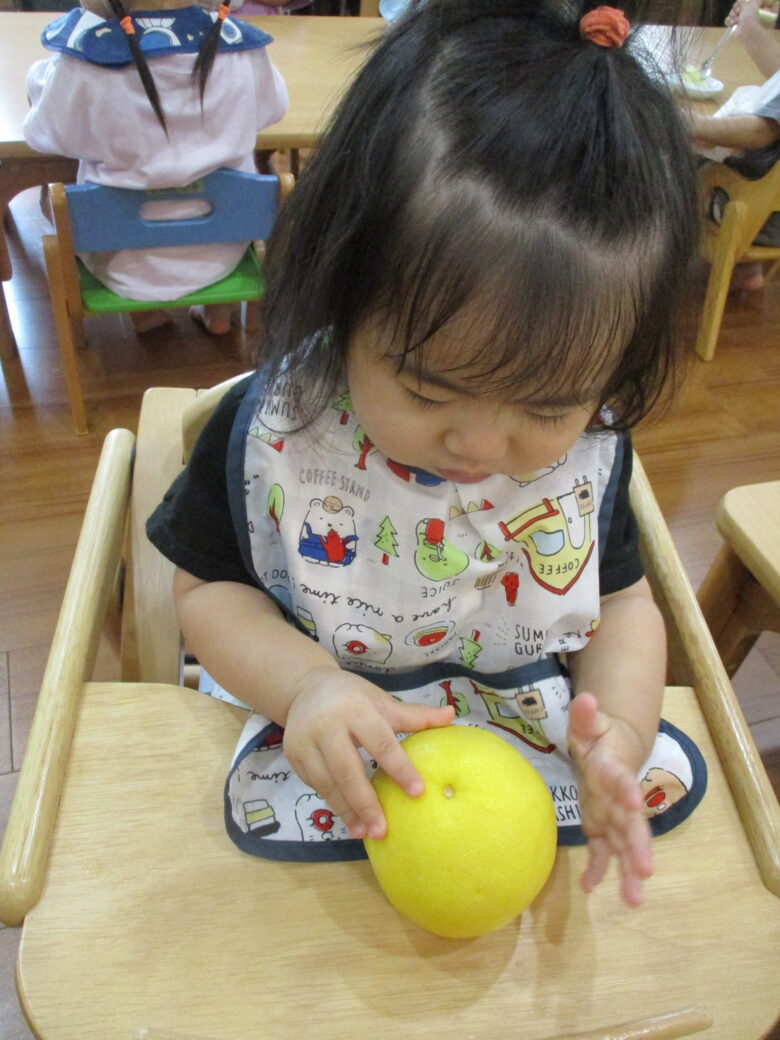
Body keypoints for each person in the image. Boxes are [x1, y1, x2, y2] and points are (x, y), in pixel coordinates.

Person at [148, 0, 708, 908]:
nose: (482, 444)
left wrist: (624, 736)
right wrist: (308, 688)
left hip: (518, 735)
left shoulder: (587, 460)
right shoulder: (282, 432)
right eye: (428, 390)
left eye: (548, 404)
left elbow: (625, 605)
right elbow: (207, 589)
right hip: (313, 737)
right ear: (342, 291)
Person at [23, 0, 288, 334]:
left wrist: (38, 79)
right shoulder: (240, 49)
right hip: (222, 253)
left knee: (56, 204)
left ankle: (146, 316)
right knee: (228, 177)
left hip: (121, 263)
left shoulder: (84, 59)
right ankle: (218, 312)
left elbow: (48, 135)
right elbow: (272, 108)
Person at [687, 0, 780, 289]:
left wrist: (682, 123)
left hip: (759, 216)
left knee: (665, 160)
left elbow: (761, 131)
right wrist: (750, 27)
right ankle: (743, 268)